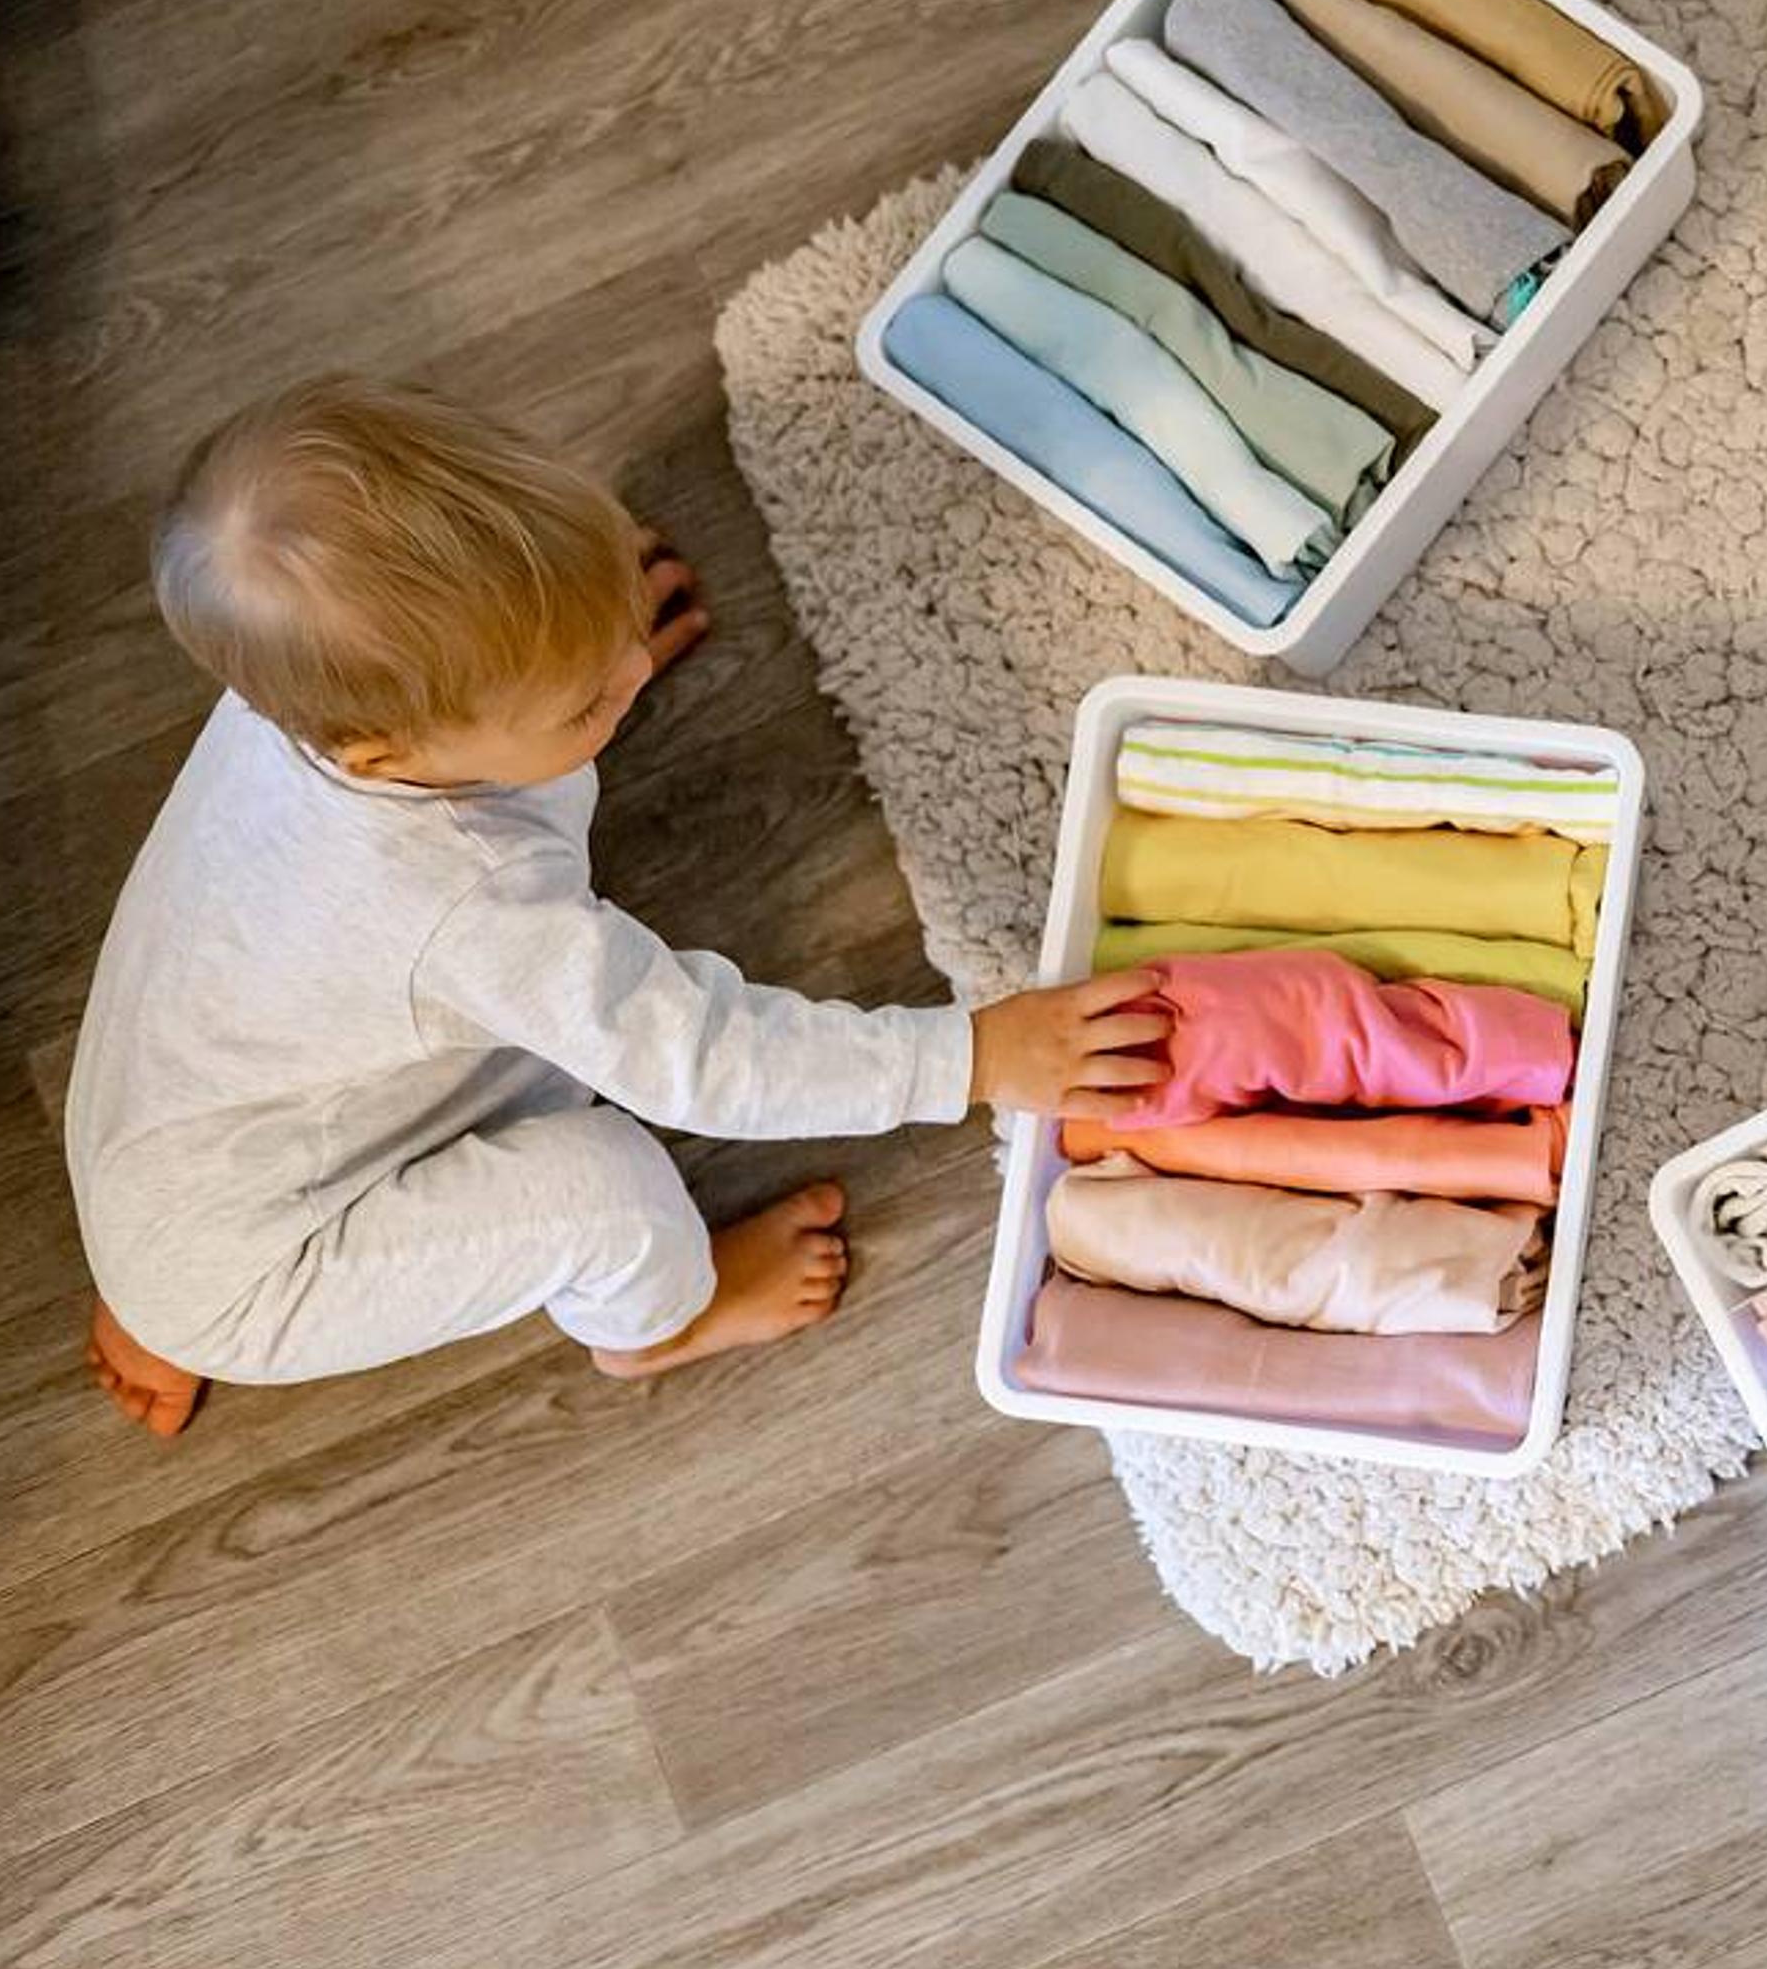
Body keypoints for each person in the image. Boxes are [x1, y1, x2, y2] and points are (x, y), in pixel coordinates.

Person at [68, 376, 1167, 1436]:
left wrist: (567, 637)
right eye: (586, 692)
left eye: (608, 629)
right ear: (389, 749)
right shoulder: (473, 906)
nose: (633, 669)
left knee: (458, 1044)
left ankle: (163, 1298)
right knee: (611, 1189)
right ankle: (656, 1326)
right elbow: (701, 1057)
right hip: (265, 1259)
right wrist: (966, 1058)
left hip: (178, 1142)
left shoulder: (321, 685)